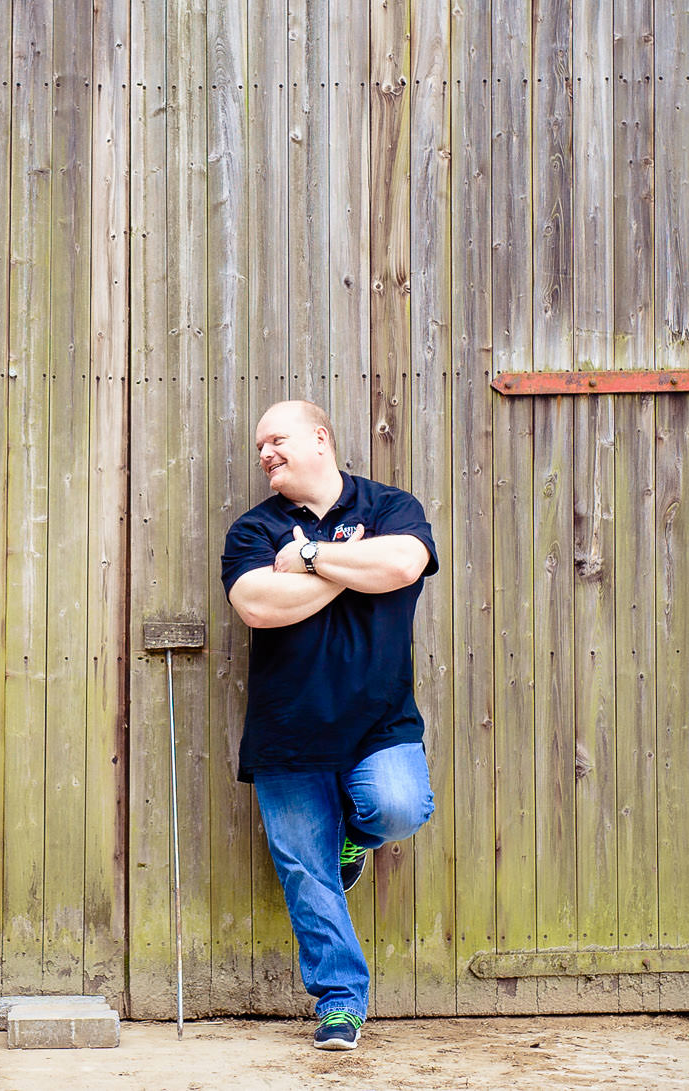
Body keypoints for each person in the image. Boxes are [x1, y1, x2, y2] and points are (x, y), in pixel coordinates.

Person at [220, 400, 439, 1051]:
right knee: (305, 869)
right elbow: (258, 603)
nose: (265, 453)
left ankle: (356, 840)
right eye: (260, 444)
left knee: (398, 807)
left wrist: (310, 558)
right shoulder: (254, 529)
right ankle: (340, 1001)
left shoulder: (390, 503)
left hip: (380, 721)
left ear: (320, 437)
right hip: (288, 731)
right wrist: (351, 567)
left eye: (276, 439)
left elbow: (403, 564)